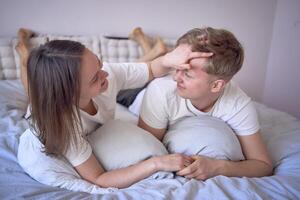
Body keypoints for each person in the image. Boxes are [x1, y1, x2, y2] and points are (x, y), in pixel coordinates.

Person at [15, 28, 212, 189]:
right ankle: (25, 56)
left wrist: (171, 58)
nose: (105, 75)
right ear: (70, 94)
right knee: (32, 94)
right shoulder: (64, 127)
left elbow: (151, 69)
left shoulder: (106, 73)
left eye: (99, 64)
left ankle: (28, 59)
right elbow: (99, 179)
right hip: (44, 126)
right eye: (95, 78)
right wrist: (157, 163)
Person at [137, 27, 273, 180]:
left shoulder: (238, 104)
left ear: (216, 85)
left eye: (187, 74)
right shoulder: (161, 89)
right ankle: (149, 48)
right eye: (177, 68)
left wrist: (219, 167)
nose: (176, 78)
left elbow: (263, 165)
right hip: (136, 93)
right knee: (132, 76)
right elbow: (147, 152)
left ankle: (153, 50)